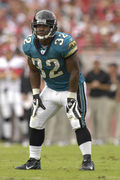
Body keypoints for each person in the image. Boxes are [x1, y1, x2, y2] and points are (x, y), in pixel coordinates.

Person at [15, 10, 94, 170]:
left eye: (44, 26)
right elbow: (33, 70)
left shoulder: (64, 43)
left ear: (53, 27)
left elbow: (74, 71)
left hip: (71, 87)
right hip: (50, 89)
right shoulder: (29, 44)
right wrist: (36, 94)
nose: (41, 29)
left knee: (77, 121)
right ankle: (34, 160)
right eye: (38, 26)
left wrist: (72, 97)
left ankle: (87, 161)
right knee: (35, 120)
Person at [85, 59, 110, 144]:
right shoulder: (89, 73)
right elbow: (85, 85)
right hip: (92, 98)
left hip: (102, 98)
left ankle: (102, 137)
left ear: (99, 64)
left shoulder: (104, 74)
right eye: (95, 63)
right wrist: (93, 85)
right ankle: (95, 137)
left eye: (97, 63)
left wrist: (99, 85)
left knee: (101, 118)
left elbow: (108, 87)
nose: (96, 65)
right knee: (94, 118)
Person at [107, 63, 120, 145]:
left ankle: (118, 138)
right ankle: (106, 137)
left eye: (112, 68)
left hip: (118, 101)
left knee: (119, 120)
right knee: (106, 119)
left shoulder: (119, 77)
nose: (111, 70)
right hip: (108, 100)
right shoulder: (106, 77)